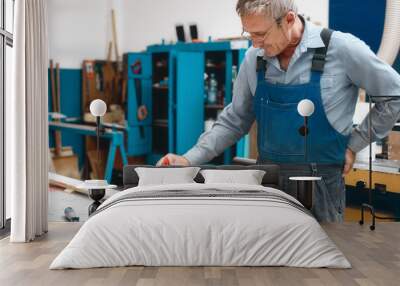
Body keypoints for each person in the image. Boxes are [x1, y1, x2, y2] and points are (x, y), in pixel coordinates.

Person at [157, 0, 400, 222]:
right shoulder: (254, 60)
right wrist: (188, 159)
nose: (255, 43)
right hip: (268, 183)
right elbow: (234, 120)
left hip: (321, 186)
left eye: (261, 34)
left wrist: (354, 144)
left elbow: (394, 96)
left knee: (321, 263)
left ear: (289, 19)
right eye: (249, 33)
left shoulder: (342, 49)